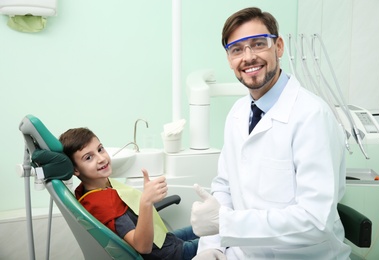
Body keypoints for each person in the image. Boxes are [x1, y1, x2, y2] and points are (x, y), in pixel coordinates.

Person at [190, 7, 351, 260]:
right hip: (241, 253)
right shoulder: (238, 113)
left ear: (278, 47)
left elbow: (315, 220)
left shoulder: (312, 116)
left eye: (258, 44)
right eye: (237, 50)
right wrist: (212, 247)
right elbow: (225, 187)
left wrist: (227, 223)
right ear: (230, 60)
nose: (249, 57)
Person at [59, 127, 198, 260]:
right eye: (88, 157)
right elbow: (142, 246)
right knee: (217, 239)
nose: (101, 158)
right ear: (75, 170)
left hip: (163, 241)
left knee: (210, 225)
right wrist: (146, 201)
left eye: (100, 149)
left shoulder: (88, 191)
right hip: (167, 254)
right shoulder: (106, 205)